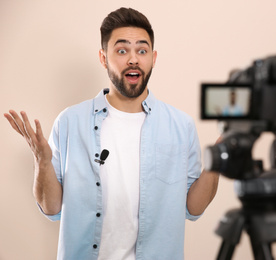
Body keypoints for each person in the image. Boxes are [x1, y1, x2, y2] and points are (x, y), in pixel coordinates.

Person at [4, 7, 219, 260]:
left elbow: (193, 208)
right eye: (121, 50)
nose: (133, 59)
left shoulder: (180, 126)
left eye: (142, 50)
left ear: (153, 57)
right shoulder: (70, 122)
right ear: (103, 57)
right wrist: (41, 161)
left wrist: (219, 159)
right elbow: (51, 208)